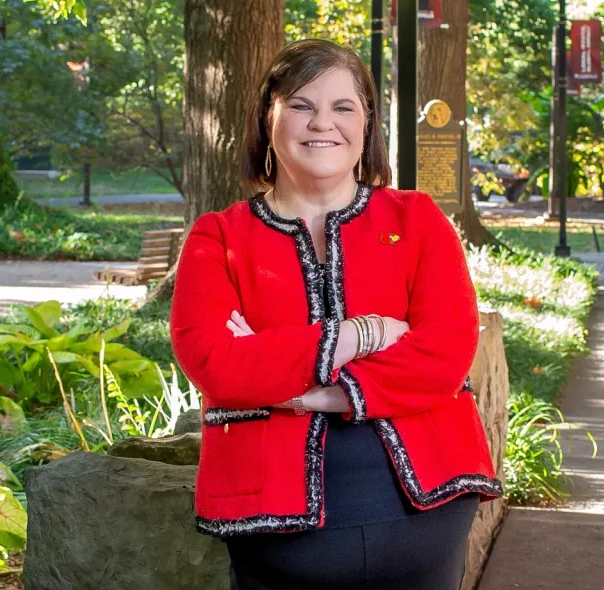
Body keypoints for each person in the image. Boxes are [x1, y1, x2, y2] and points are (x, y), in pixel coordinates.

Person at [170, 39, 501, 590]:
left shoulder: (417, 220)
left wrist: (302, 388)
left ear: (367, 124)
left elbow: (443, 355)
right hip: (270, 519)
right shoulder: (218, 237)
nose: (322, 123)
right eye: (301, 105)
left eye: (343, 107)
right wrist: (362, 333)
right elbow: (215, 362)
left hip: (424, 508)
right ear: (266, 119)